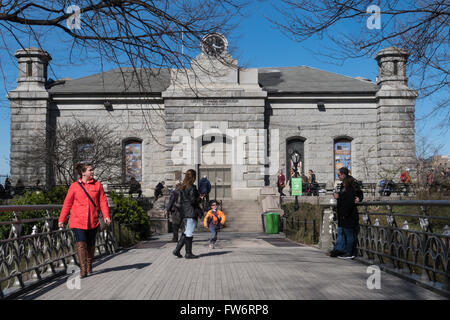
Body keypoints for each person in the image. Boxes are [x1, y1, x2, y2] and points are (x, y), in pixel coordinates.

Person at [58, 163, 111, 278]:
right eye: (90, 170)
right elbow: (67, 204)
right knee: (81, 244)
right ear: (83, 173)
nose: (92, 172)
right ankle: (83, 269)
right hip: (78, 220)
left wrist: (106, 216)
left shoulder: (97, 185)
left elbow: (103, 201)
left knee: (91, 244)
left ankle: (89, 265)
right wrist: (61, 219)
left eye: (92, 170)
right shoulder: (74, 186)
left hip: (93, 220)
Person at [329, 167, 363, 259]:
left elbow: (351, 198)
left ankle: (349, 253)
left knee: (349, 234)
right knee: (342, 233)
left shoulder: (351, 185)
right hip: (343, 214)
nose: (338, 177)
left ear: (343, 175)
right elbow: (345, 197)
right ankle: (340, 250)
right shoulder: (344, 185)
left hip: (348, 214)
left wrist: (359, 198)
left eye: (339, 175)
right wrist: (338, 196)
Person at [172, 169, 203, 259]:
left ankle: (177, 250)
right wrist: (200, 198)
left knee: (186, 232)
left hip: (184, 212)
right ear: (193, 177)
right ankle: (188, 253)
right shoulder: (192, 187)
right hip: (191, 212)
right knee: (189, 233)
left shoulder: (182, 187)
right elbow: (193, 201)